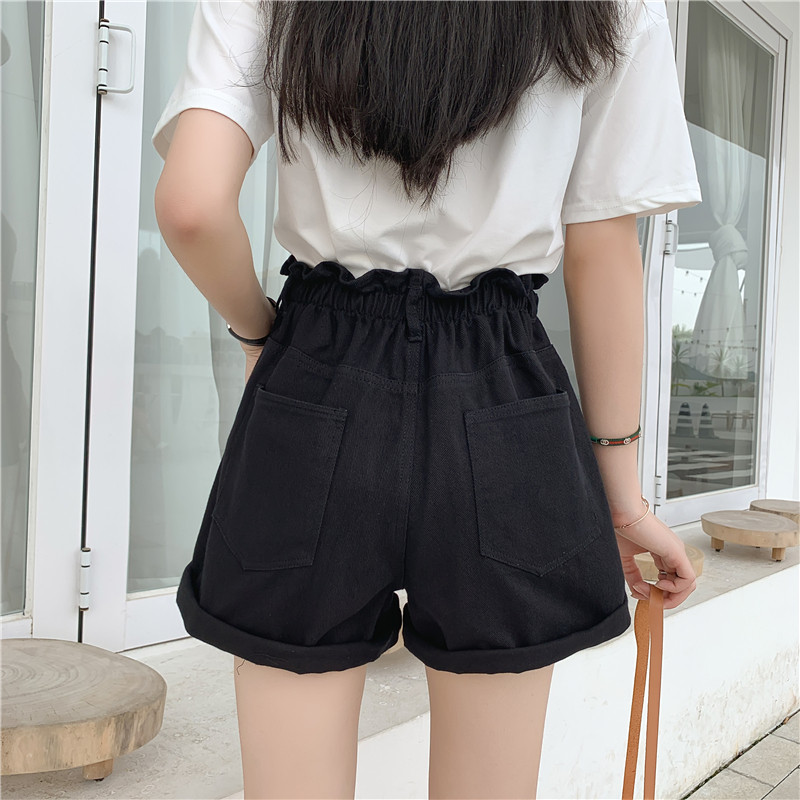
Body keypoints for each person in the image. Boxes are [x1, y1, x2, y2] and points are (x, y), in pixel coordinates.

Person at [152, 1, 700, 797]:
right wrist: (625, 502)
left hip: (316, 379)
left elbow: (192, 207)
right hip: (503, 396)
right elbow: (603, 252)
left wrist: (259, 335)